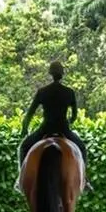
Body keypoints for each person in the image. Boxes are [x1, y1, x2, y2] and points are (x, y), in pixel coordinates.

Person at [17, 61, 88, 189]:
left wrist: (24, 128)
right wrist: (68, 122)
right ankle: (85, 180)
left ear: (50, 74)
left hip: (45, 129)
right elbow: (74, 116)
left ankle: (21, 180)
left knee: (24, 147)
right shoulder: (69, 92)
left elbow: (30, 114)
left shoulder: (42, 91)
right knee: (82, 149)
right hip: (63, 129)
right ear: (62, 74)